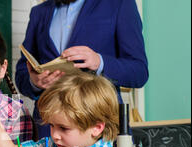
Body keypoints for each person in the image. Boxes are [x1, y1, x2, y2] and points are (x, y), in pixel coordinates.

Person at [15, 0, 148, 138]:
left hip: (99, 129)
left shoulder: (120, 4)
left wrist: (100, 62)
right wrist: (35, 82)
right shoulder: (39, 12)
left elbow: (139, 72)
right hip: (49, 132)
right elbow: (21, 74)